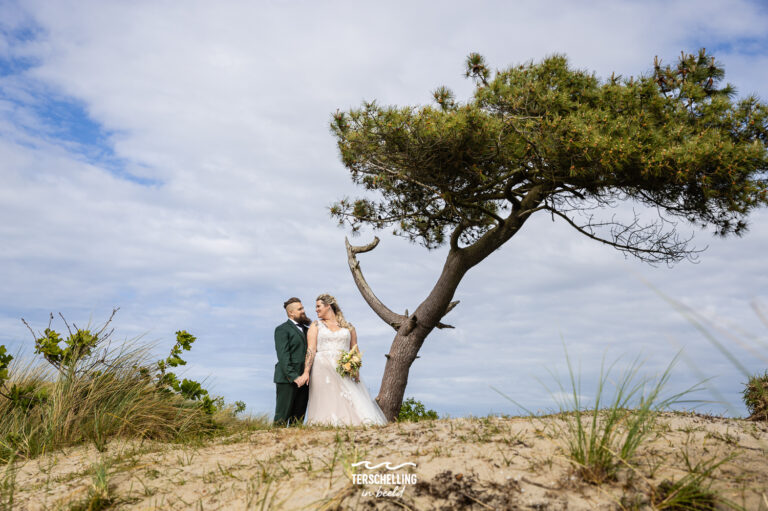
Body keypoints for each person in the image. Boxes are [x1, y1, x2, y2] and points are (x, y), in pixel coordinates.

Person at [301, 293, 387, 426]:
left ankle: (350, 423)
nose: (316, 309)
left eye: (318, 306)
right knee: (327, 397)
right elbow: (311, 349)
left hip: (343, 367)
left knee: (349, 395)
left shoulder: (348, 327)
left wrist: (355, 368)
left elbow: (355, 350)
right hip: (322, 368)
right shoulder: (316, 325)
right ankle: (326, 424)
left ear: (328, 306)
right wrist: (306, 372)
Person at [273, 297, 311, 426]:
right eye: (300, 309)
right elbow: (283, 356)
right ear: (291, 313)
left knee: (298, 420)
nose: (303, 311)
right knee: (281, 418)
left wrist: (305, 376)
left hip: (305, 380)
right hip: (287, 380)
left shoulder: (307, 330)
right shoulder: (282, 329)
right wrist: (295, 377)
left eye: (303, 308)